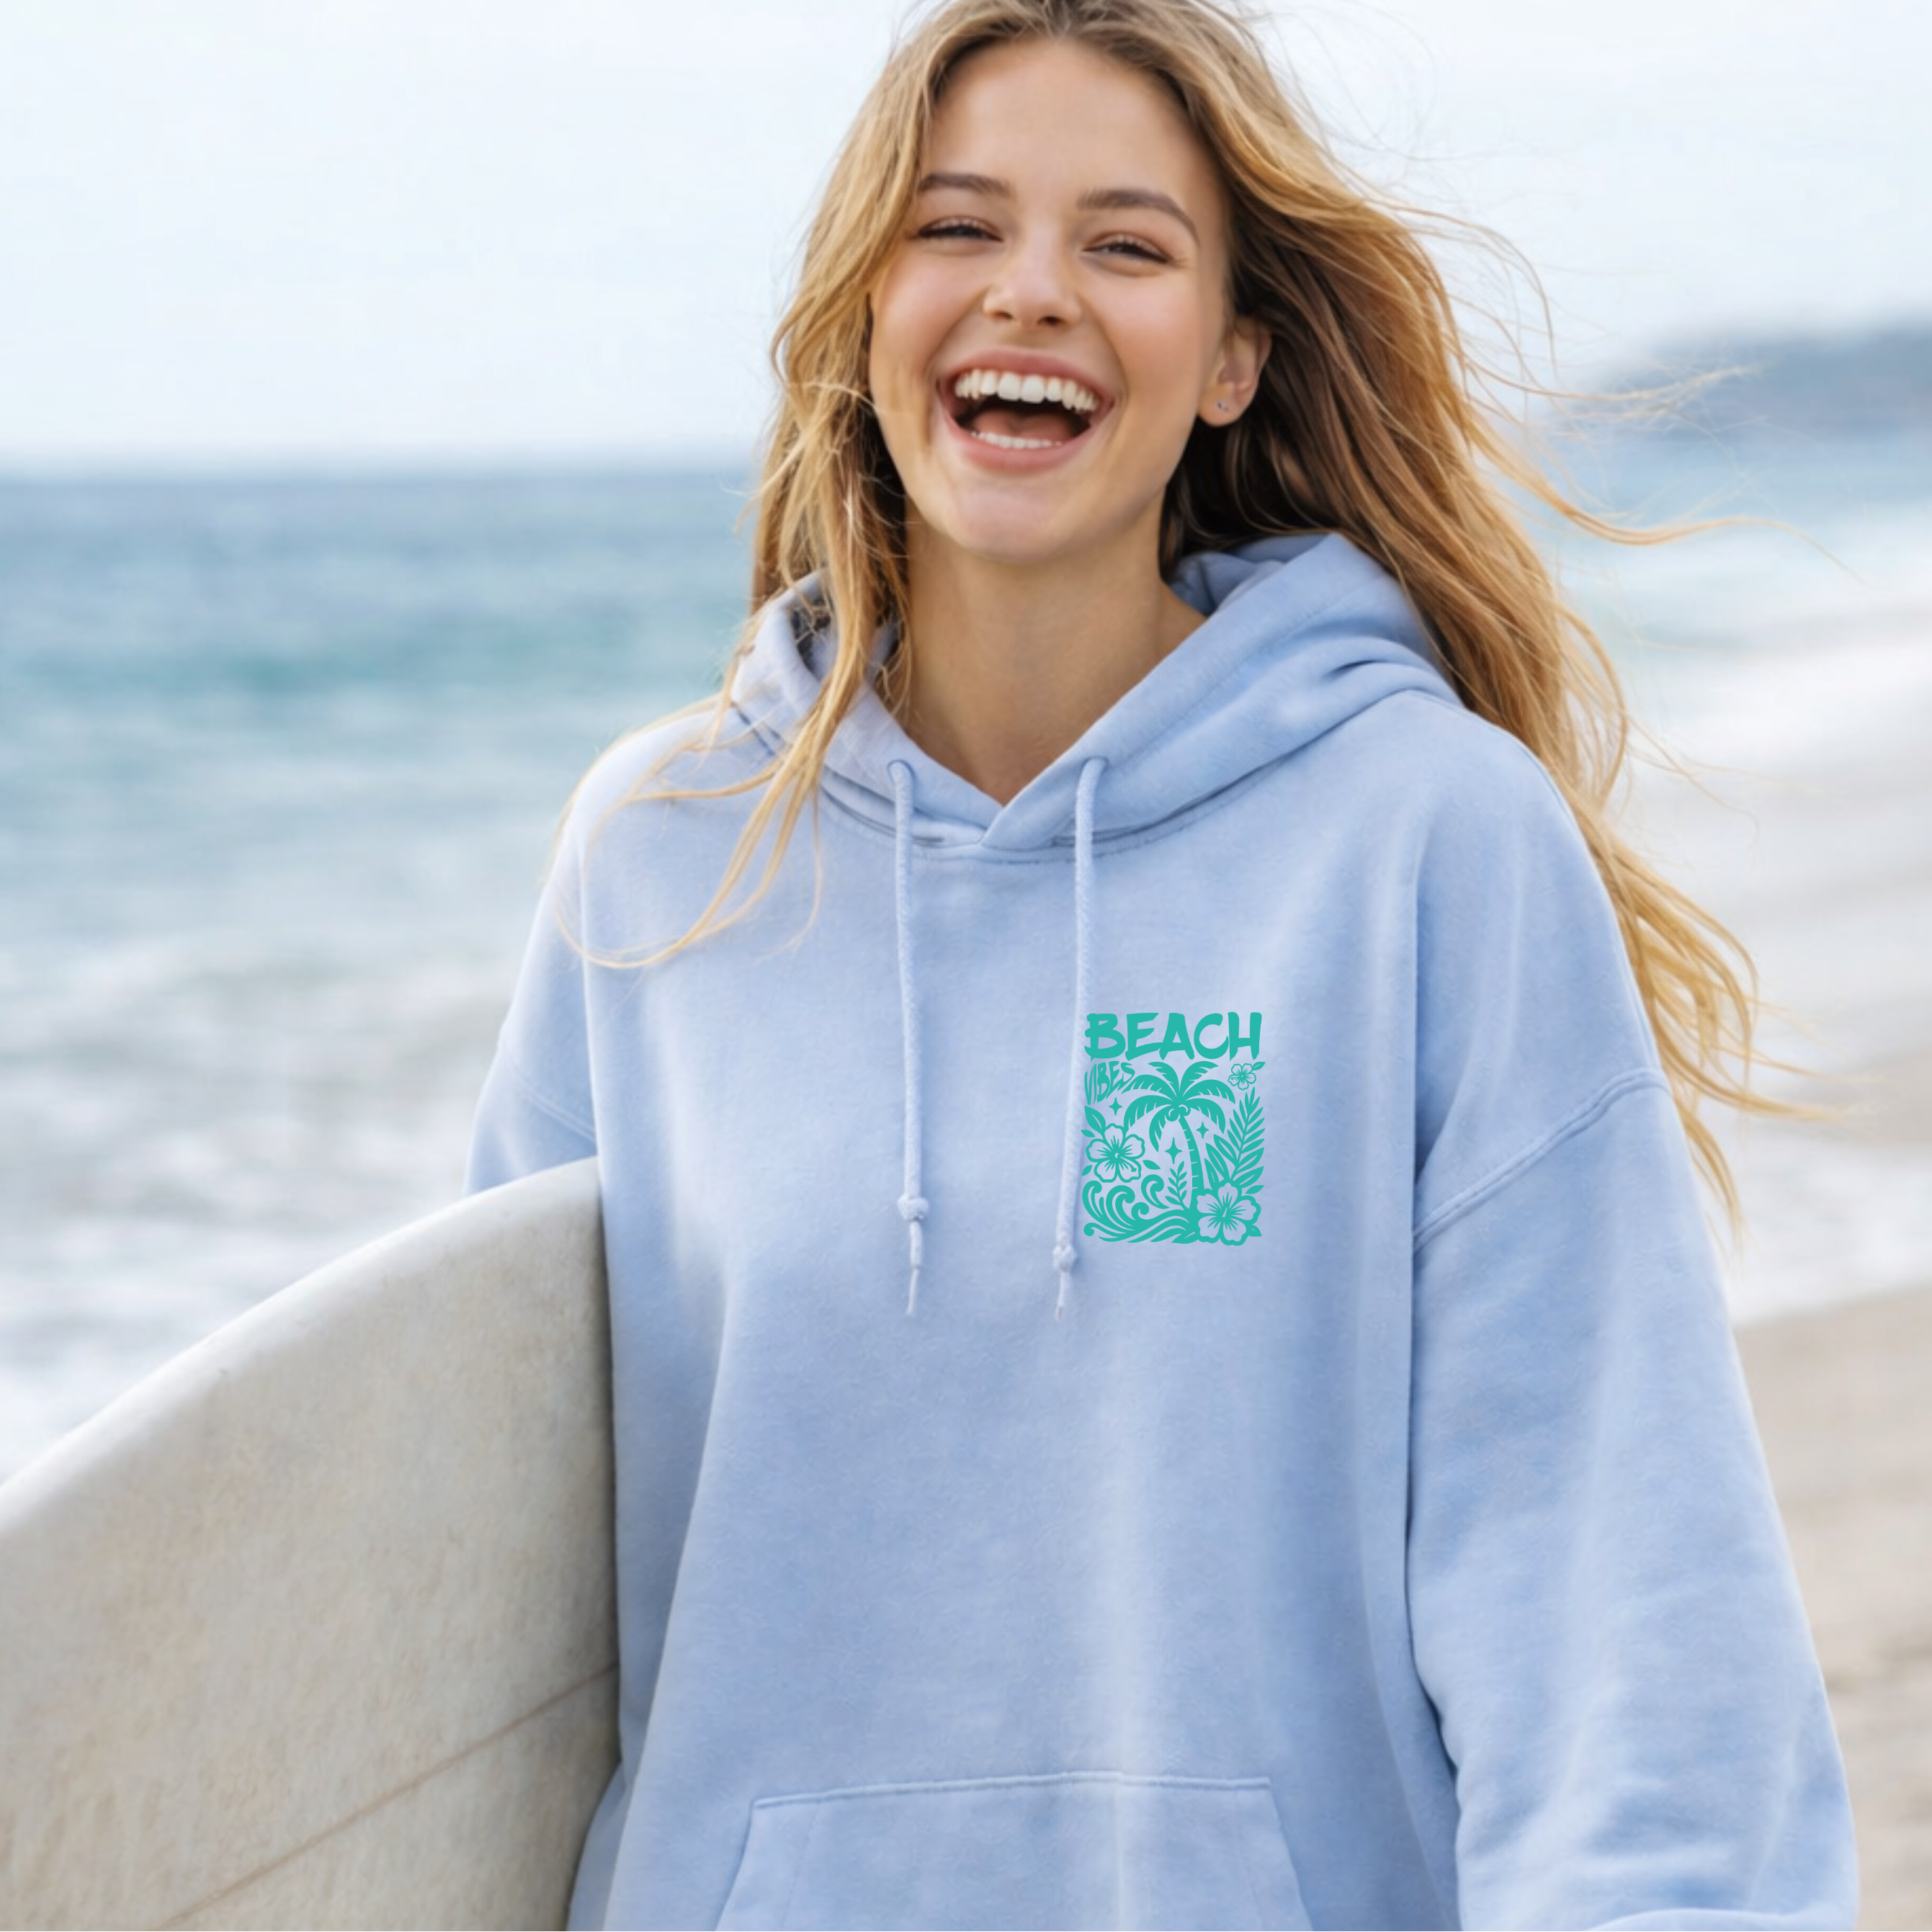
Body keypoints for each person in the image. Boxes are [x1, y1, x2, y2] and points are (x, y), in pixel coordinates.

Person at [467, 1, 1856, 1924]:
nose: (1031, 291)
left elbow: (1616, 1597)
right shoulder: (662, 865)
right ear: (866, 318)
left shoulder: (1419, 844)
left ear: (1230, 363)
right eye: (956, 229)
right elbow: (481, 1618)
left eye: (1125, 247)